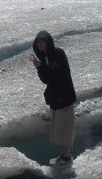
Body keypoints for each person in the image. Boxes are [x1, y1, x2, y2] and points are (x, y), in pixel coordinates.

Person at [29, 30, 76, 169]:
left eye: (41, 42)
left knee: (65, 128)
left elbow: (60, 75)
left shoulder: (58, 54)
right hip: (55, 99)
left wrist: (43, 67)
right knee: (60, 129)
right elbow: (46, 80)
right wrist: (39, 68)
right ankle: (64, 156)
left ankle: (67, 158)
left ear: (48, 41)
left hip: (64, 97)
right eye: (37, 43)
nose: (39, 45)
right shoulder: (44, 58)